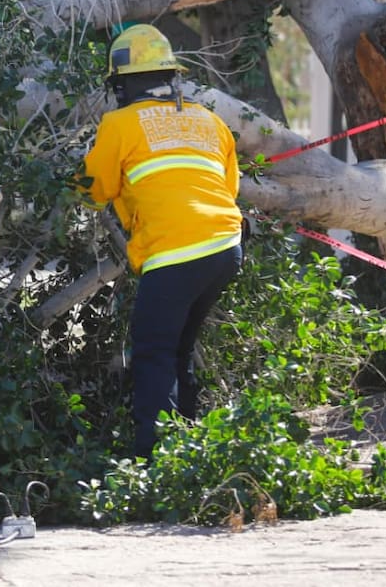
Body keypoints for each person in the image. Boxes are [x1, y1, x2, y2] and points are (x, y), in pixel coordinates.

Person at [80, 23, 243, 458]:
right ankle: (188, 451)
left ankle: (153, 460)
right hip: (226, 245)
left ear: (122, 84)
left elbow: (91, 190)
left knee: (153, 352)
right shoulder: (209, 121)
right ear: (170, 76)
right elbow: (229, 189)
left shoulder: (118, 123)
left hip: (175, 251)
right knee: (179, 348)